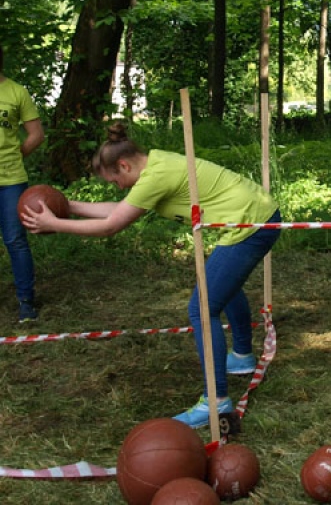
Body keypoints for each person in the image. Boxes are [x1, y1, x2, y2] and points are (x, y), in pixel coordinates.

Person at [20, 122, 280, 428]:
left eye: (115, 180)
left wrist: (55, 224)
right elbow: (120, 209)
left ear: (124, 165)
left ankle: (216, 401)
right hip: (256, 215)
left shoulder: (157, 175)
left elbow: (111, 225)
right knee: (221, 285)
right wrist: (66, 206)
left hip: (251, 223)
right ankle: (241, 357)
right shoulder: (156, 164)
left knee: (202, 308)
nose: (119, 187)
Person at [0, 45, 45, 323]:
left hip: (10, 181)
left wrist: (17, 155)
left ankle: (26, 301)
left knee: (15, 240)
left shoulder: (17, 92)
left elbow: (36, 134)